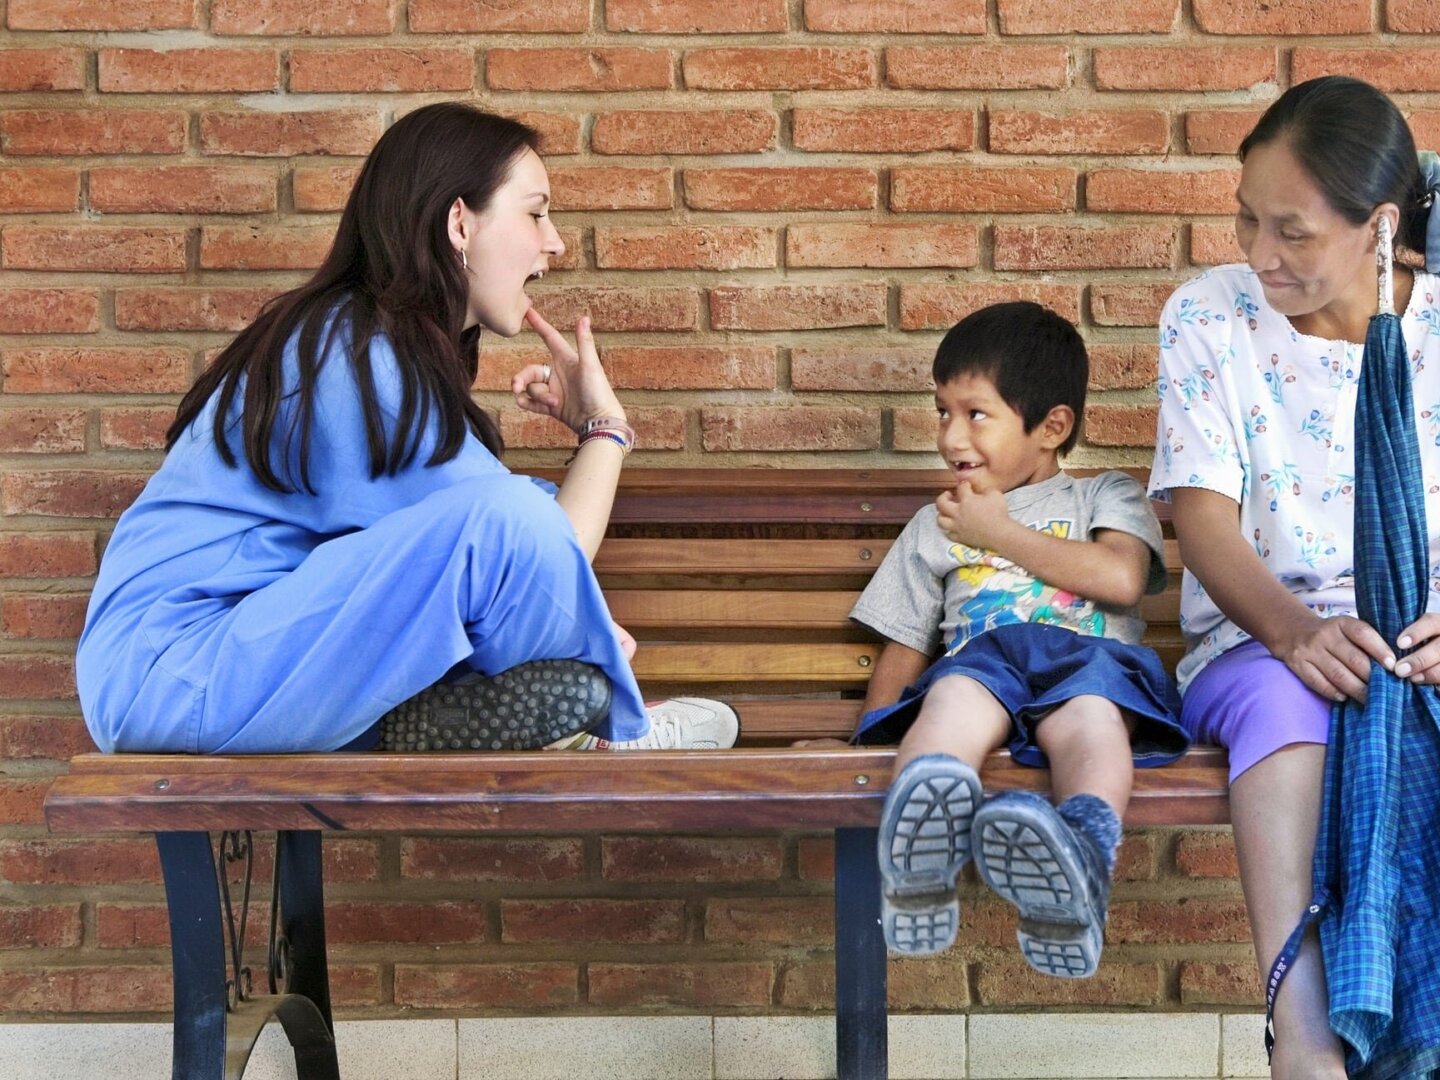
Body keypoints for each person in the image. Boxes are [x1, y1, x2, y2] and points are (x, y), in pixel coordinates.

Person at [74, 103, 738, 756]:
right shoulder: (350, 354)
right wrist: (604, 429)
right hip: (179, 672)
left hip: (233, 665)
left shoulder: (361, 341)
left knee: (512, 529)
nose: (554, 241)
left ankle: (548, 710)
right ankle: (596, 723)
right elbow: (531, 547)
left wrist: (569, 605)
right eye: (535, 213)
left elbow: (507, 560)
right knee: (507, 524)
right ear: (459, 222)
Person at [1148, 76, 1440, 1079]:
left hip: (1417, 634)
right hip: (1256, 641)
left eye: (1293, 231)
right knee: (1296, 707)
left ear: (1379, 226)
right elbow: (1204, 520)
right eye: (1245, 218)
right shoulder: (1209, 319)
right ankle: (1304, 1036)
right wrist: (1293, 632)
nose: (1259, 253)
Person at [853, 302, 1186, 977]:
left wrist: (996, 533)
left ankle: (1084, 855)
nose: (951, 437)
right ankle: (921, 858)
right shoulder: (933, 523)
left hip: (1090, 667)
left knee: (1092, 720)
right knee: (950, 698)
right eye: (942, 411)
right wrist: (862, 742)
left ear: (1051, 427)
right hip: (984, 665)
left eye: (976, 413)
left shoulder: (1105, 498)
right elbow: (906, 645)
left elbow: (1121, 579)